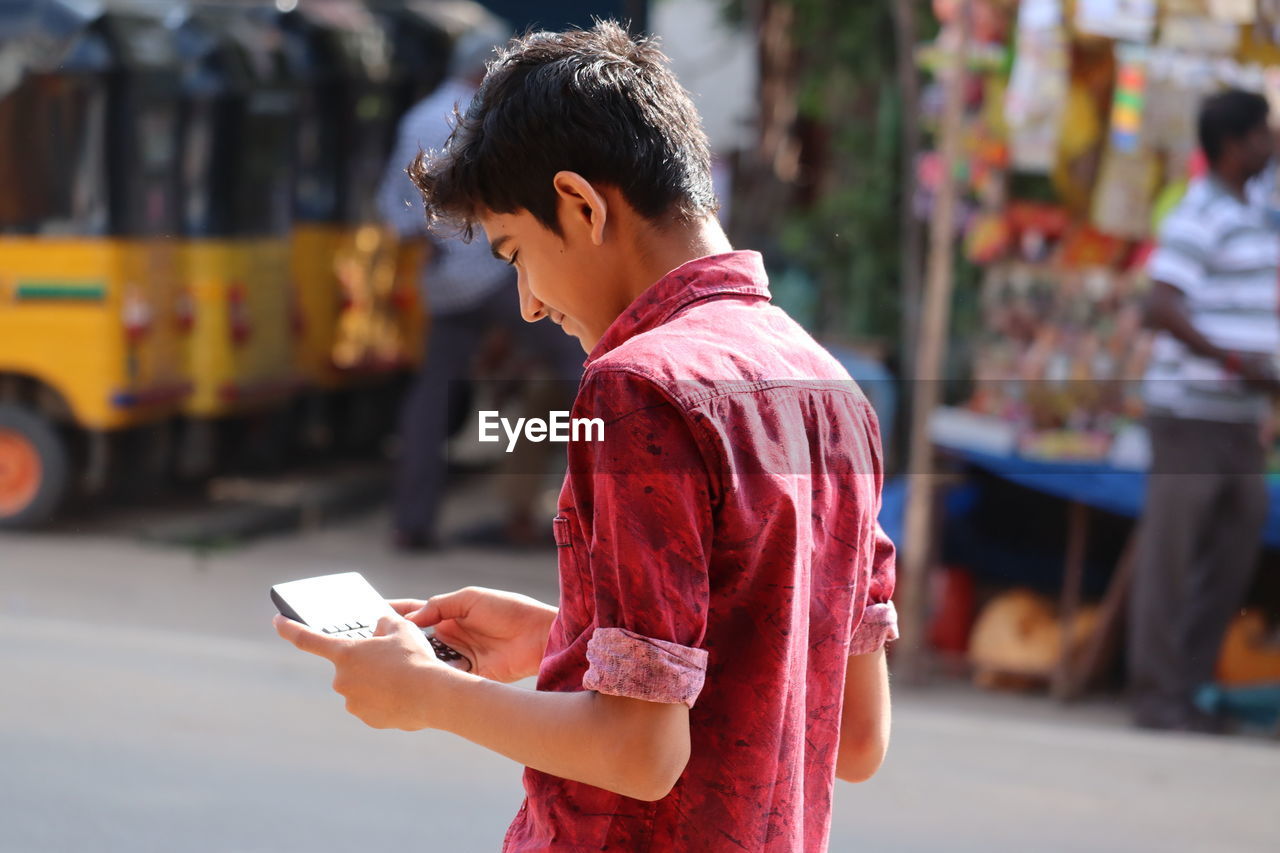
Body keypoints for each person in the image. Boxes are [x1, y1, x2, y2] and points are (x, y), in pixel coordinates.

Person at [277, 22, 897, 850]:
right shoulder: (829, 385)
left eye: (516, 253)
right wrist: (570, 637)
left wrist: (426, 694)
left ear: (580, 204)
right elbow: (852, 736)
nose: (529, 302)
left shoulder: (636, 386)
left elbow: (639, 753)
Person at [378, 24, 583, 550]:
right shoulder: (496, 117)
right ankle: (604, 513)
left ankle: (412, 521)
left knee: (431, 396)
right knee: (588, 369)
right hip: (499, 271)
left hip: (442, 278)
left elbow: (393, 210)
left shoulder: (416, 116)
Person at [1132, 88, 1280, 732]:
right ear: (1233, 145)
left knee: (1231, 551)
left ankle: (1189, 690)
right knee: (1175, 555)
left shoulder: (1253, 209)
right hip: (1192, 412)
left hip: (1239, 419)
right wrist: (1231, 359)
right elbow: (1160, 305)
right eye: (1264, 134)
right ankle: (1158, 694)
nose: (1272, 144)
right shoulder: (1201, 212)